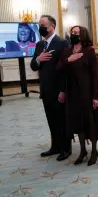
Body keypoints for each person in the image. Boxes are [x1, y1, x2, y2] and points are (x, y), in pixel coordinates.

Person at [57, 25, 98, 166]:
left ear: (83, 35)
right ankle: (82, 150)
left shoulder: (89, 51)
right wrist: (69, 60)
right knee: (78, 123)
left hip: (87, 92)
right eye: (72, 32)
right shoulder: (67, 51)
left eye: (77, 33)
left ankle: (93, 151)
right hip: (72, 93)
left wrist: (96, 97)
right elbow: (59, 69)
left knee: (89, 122)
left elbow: (95, 76)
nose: (74, 35)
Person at [30, 15, 72, 161]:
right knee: (51, 119)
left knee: (62, 120)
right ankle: (55, 146)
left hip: (59, 89)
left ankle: (66, 149)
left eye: (43, 25)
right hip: (45, 89)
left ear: (52, 26)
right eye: (39, 25)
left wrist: (63, 90)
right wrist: (38, 59)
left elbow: (66, 69)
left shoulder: (63, 43)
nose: (40, 28)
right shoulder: (39, 45)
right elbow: (33, 66)